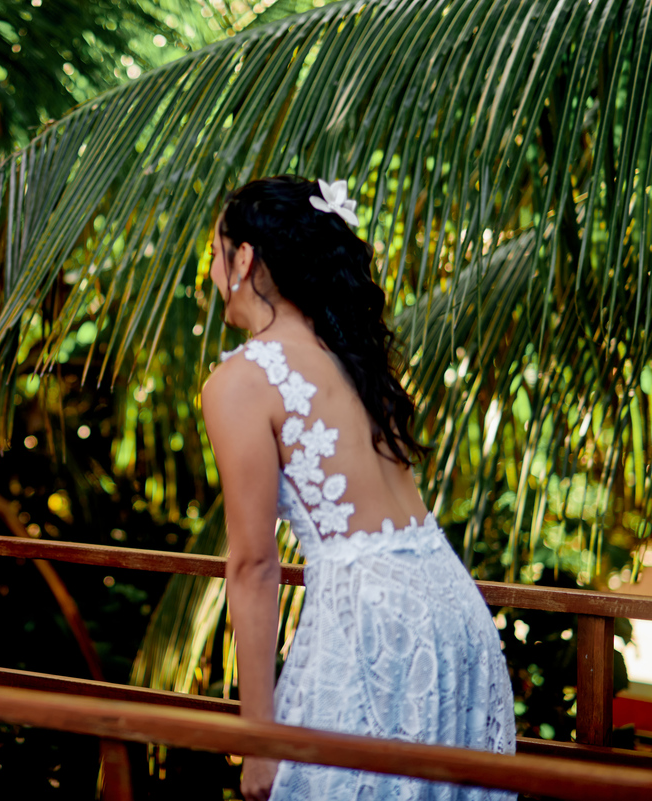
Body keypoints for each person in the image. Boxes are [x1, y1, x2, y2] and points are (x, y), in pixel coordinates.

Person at [200, 176, 515, 801]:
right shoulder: (351, 354)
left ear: (245, 259)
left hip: (373, 625)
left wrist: (258, 741)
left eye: (215, 254)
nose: (210, 274)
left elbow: (255, 565)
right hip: (453, 610)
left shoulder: (240, 379)